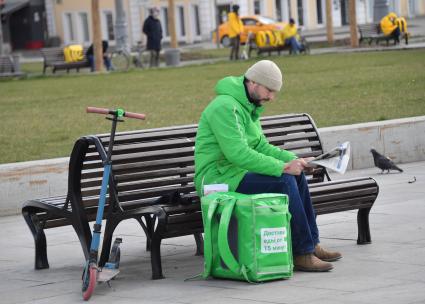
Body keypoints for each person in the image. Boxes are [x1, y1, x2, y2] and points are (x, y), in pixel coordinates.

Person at [194, 60, 342, 272]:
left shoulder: (248, 105)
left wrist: (294, 160)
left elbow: (261, 145)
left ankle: (312, 243)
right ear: (253, 82)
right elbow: (238, 153)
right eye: (269, 90)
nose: (272, 97)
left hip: (235, 173)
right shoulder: (225, 107)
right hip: (216, 180)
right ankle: (302, 253)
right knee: (284, 180)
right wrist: (282, 168)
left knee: (296, 175)